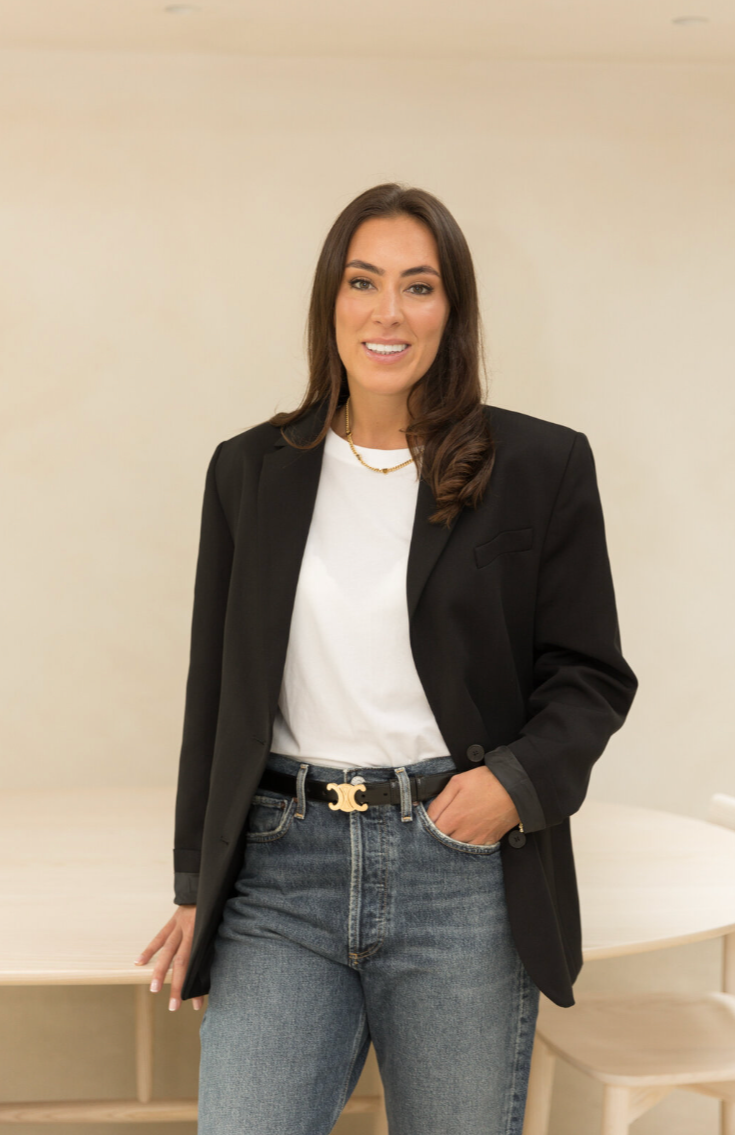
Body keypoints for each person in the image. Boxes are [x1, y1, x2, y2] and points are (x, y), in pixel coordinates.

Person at [135, 183, 638, 1135]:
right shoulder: (248, 470)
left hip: (461, 873)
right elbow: (218, 697)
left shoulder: (537, 466)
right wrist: (197, 886)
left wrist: (514, 785)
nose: (388, 312)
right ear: (332, 299)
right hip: (283, 867)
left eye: (420, 286)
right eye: (365, 281)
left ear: (453, 311)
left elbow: (590, 676)